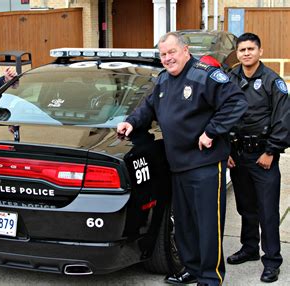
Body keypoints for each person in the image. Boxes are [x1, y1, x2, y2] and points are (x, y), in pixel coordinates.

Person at [117, 32, 248, 286]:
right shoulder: (164, 80)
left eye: (171, 52)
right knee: (186, 224)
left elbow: (236, 102)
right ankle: (192, 268)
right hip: (178, 165)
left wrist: (212, 131)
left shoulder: (204, 74)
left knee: (208, 224)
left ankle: (211, 277)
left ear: (185, 50)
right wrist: (131, 123)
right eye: (163, 54)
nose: (167, 58)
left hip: (206, 164)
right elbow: (148, 107)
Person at [226, 32, 289, 283]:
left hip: (263, 156)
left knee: (267, 211)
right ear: (238, 53)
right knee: (246, 207)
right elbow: (223, 113)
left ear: (260, 51)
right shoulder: (230, 79)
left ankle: (272, 260)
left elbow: (283, 120)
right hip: (238, 155)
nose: (246, 53)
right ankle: (249, 248)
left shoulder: (273, 81)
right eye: (242, 50)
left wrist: (271, 151)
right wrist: (228, 151)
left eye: (251, 49)